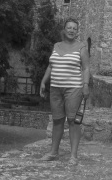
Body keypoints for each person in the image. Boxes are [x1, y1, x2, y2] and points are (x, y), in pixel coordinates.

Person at [39, 18, 90, 165]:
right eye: (69, 27)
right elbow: (51, 66)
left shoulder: (81, 47)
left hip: (73, 88)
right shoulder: (56, 46)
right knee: (57, 120)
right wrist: (43, 81)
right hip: (55, 88)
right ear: (64, 29)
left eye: (74, 28)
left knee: (73, 120)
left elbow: (86, 68)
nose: (71, 30)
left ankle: (73, 156)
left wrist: (85, 85)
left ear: (77, 31)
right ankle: (53, 152)